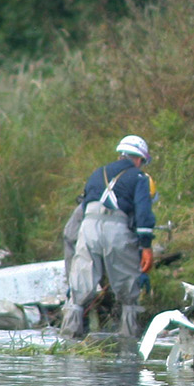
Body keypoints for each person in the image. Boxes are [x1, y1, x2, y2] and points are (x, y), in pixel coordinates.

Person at [60, 135, 157, 340]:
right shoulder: (139, 178)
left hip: (87, 229)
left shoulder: (97, 173)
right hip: (117, 230)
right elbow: (143, 214)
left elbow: (83, 207)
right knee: (128, 291)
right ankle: (129, 340)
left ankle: (69, 337)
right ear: (140, 159)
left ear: (121, 153)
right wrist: (146, 246)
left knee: (80, 287)